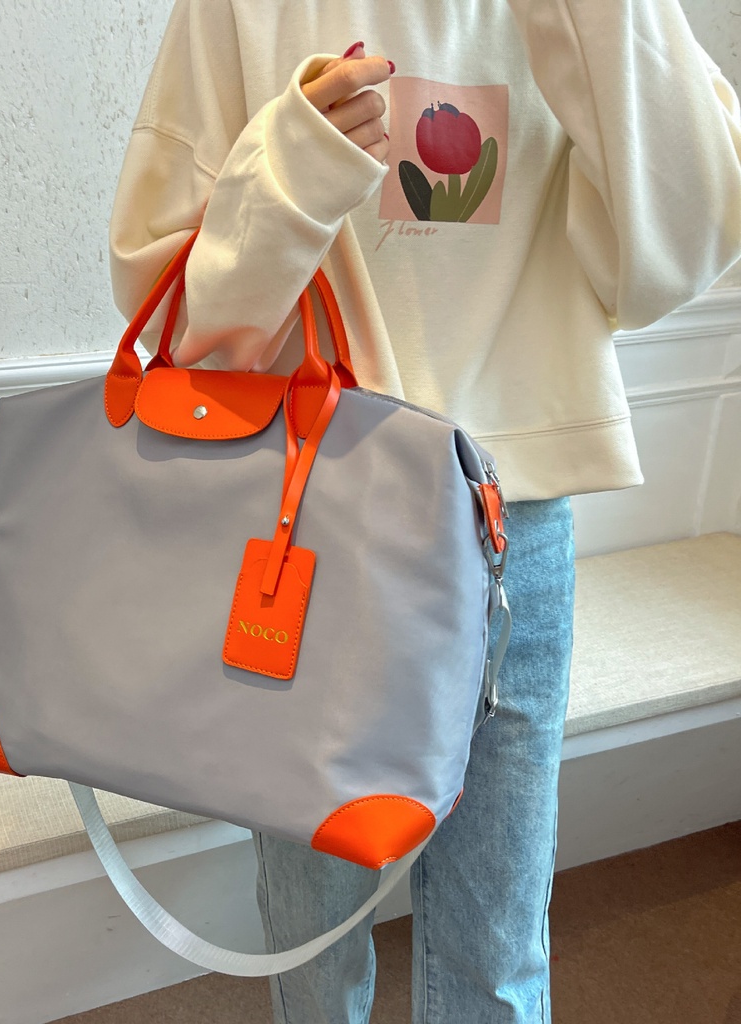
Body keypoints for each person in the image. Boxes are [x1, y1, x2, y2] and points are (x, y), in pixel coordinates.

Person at [107, 1, 741, 1021]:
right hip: (310, 515)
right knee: (315, 932)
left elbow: (678, 251)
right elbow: (177, 322)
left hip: (512, 520)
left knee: (499, 945)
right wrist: (294, 167)